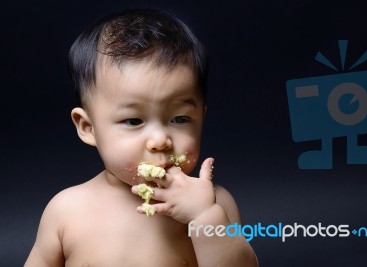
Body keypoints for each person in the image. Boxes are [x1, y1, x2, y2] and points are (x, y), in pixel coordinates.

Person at [25, 8, 258, 267]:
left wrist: (205, 216)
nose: (160, 141)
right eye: (134, 121)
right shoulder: (66, 210)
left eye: (180, 119)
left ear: (200, 119)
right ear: (88, 127)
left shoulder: (216, 204)